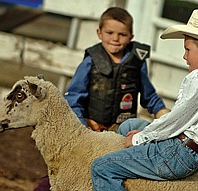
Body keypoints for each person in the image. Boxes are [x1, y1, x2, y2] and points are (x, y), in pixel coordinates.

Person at [90, 9, 198, 191]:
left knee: (101, 167)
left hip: (177, 153)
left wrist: (140, 139)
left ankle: (120, 169)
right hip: (187, 148)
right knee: (129, 126)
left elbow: (176, 120)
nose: (184, 56)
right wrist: (143, 135)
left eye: (187, 49)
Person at [34, 7, 168, 191]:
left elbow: (149, 95)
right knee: (68, 169)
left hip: (120, 133)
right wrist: (81, 126)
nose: (115, 38)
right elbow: (74, 96)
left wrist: (161, 112)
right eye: (110, 33)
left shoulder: (137, 62)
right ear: (99, 33)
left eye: (122, 34)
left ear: (131, 36)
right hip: (91, 129)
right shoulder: (92, 60)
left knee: (116, 174)